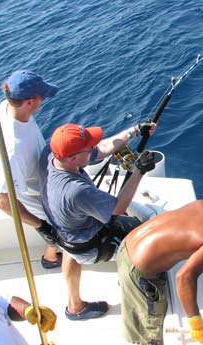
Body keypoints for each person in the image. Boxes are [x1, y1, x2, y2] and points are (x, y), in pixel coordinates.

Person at [39, 121, 158, 320]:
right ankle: (135, 289)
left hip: (65, 236)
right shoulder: (76, 190)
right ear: (74, 158)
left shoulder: (50, 155)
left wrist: (135, 131)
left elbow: (101, 150)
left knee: (72, 246)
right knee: (147, 241)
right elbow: (117, 209)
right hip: (89, 246)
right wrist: (139, 171)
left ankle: (74, 307)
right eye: (88, 148)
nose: (93, 148)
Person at [116, 187, 203, 345]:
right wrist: (195, 322)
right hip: (135, 269)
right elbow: (183, 277)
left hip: (125, 246)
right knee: (151, 330)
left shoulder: (202, 204)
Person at [0, 70, 61, 269]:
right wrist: (40, 226)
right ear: (29, 102)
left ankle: (50, 256)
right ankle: (52, 259)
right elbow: (1, 200)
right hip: (38, 197)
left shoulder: (7, 106)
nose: (43, 99)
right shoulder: (13, 147)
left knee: (57, 232)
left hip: (44, 179)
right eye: (40, 96)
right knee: (63, 230)